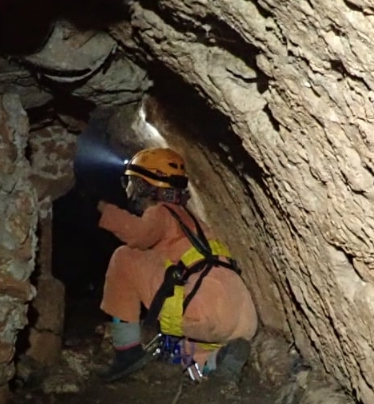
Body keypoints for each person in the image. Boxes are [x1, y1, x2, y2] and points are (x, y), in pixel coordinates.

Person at [96, 146, 257, 381]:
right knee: (179, 351)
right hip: (241, 317)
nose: (129, 191)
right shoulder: (196, 221)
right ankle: (216, 360)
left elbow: (138, 235)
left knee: (124, 257)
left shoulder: (161, 213)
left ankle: (126, 353)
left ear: (145, 186)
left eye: (132, 182)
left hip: (202, 306)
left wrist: (105, 211)